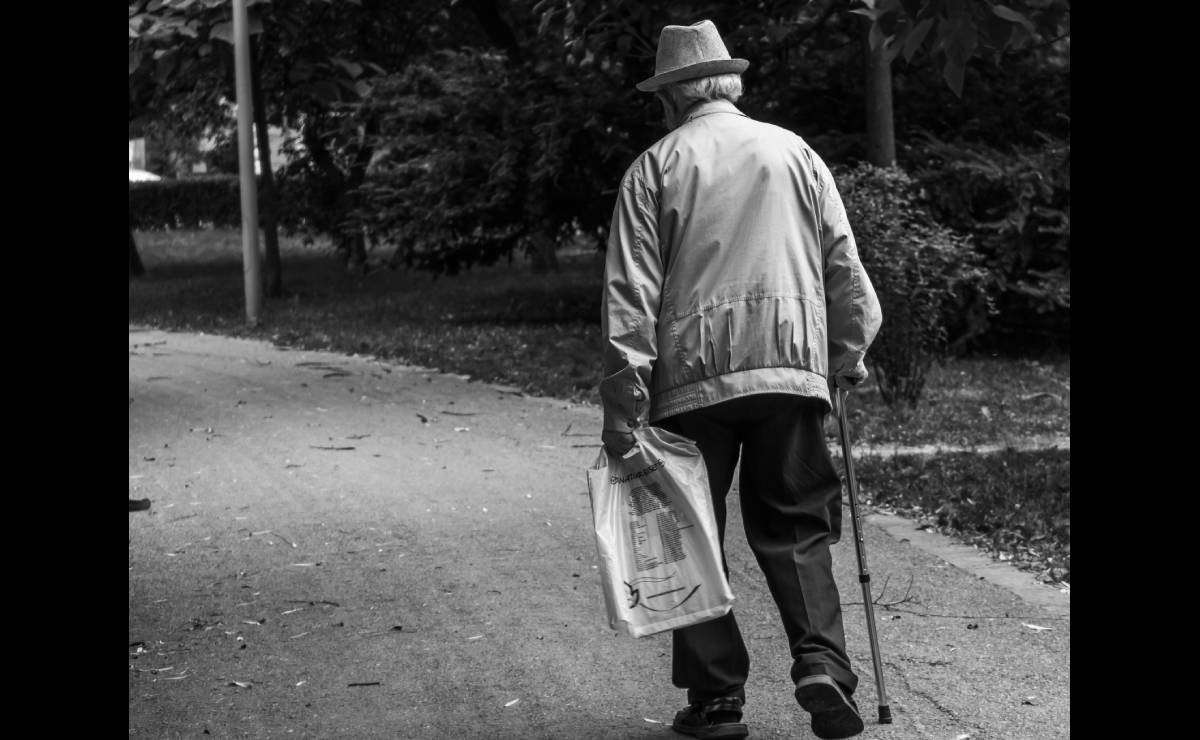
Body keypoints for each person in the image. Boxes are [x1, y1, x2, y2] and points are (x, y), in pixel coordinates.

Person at [598, 20, 883, 740]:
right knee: (796, 525)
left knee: (691, 532)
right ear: (730, 83)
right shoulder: (795, 153)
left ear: (670, 97)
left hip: (690, 382)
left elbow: (631, 297)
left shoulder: (654, 168)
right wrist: (846, 355)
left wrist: (623, 407)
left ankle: (717, 699)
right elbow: (842, 264)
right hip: (789, 369)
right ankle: (822, 666)